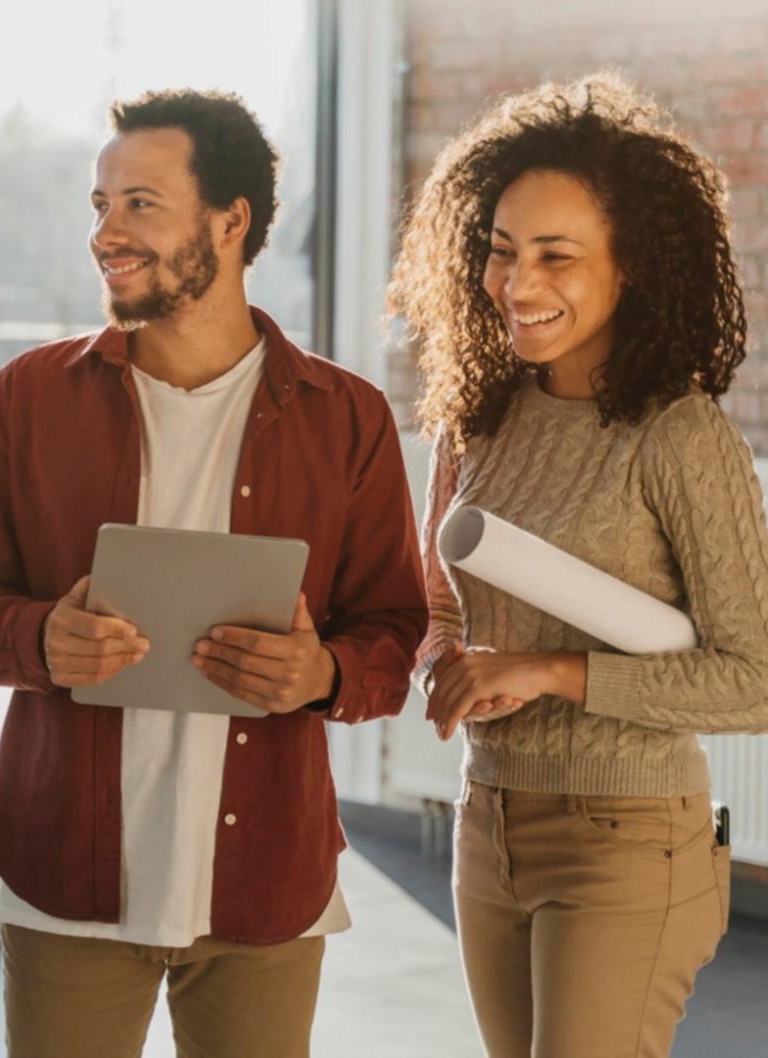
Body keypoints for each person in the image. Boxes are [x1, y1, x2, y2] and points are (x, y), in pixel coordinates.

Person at [0, 88, 427, 1058]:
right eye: (99, 203)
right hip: (64, 874)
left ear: (231, 221)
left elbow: (394, 630)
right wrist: (39, 637)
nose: (105, 232)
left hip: (266, 886)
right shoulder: (30, 395)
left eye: (140, 203)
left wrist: (321, 672)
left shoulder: (348, 416)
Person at [389, 73, 768, 1058]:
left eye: (557, 256)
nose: (517, 284)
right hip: (490, 821)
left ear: (631, 266)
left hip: (628, 837)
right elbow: (438, 602)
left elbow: (756, 676)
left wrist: (551, 671)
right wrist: (443, 664)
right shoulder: (475, 420)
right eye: (502, 252)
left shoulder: (678, 435)